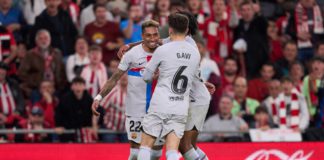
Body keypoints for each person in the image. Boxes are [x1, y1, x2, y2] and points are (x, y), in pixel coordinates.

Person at [92, 20, 163, 160]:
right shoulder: (131, 55)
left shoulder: (165, 51)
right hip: (135, 110)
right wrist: (98, 98)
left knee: (156, 154)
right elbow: (114, 78)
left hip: (158, 109)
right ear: (142, 36)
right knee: (136, 153)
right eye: (148, 35)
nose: (153, 38)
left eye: (155, 35)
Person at [138, 13, 200, 160]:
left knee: (146, 146)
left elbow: (146, 77)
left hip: (160, 103)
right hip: (180, 105)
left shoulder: (162, 50)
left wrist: (155, 75)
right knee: (172, 151)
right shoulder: (195, 53)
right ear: (186, 30)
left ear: (170, 29)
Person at [18, 29, 66, 98]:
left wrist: (61, 85)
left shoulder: (57, 53)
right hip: (37, 88)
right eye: (41, 39)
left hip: (55, 88)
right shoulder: (30, 54)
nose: (44, 41)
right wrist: (36, 82)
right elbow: (21, 73)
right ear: (36, 41)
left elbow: (62, 71)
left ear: (50, 39)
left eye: (46, 38)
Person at [233, 0, 269, 79]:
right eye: (244, 10)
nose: (246, 13)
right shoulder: (239, 25)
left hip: (259, 62)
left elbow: (265, 24)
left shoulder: (260, 22)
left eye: (249, 10)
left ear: (253, 11)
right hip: (244, 63)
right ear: (240, 12)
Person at [55, 77, 95, 142]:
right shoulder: (65, 99)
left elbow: (97, 112)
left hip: (84, 131)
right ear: (72, 87)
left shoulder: (89, 100)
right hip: (68, 130)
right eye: (75, 84)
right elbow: (58, 113)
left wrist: (94, 125)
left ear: (84, 87)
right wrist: (58, 125)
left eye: (80, 84)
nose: (78, 87)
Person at [100, 74, 128, 143]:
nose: (124, 77)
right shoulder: (112, 91)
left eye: (126, 75)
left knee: (127, 150)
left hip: (125, 129)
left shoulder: (133, 92)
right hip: (110, 127)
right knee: (108, 149)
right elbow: (101, 108)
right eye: (122, 75)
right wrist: (95, 125)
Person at [303, 57, 324, 124]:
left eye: (319, 63)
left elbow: (316, 91)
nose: (316, 65)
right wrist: (308, 112)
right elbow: (305, 97)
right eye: (314, 63)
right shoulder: (307, 79)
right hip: (311, 112)